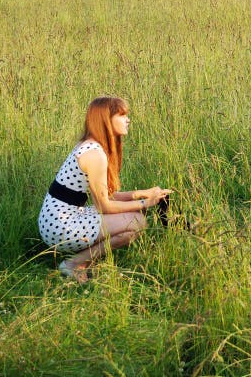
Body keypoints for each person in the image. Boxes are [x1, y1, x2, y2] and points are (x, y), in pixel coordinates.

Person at [37, 97, 170, 283]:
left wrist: (143, 193)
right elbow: (104, 207)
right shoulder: (94, 153)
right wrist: (145, 203)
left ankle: (80, 262)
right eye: (122, 115)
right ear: (106, 120)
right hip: (61, 226)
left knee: (133, 222)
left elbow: (106, 196)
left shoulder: (91, 146)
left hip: (58, 219)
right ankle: (74, 264)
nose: (128, 119)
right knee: (137, 221)